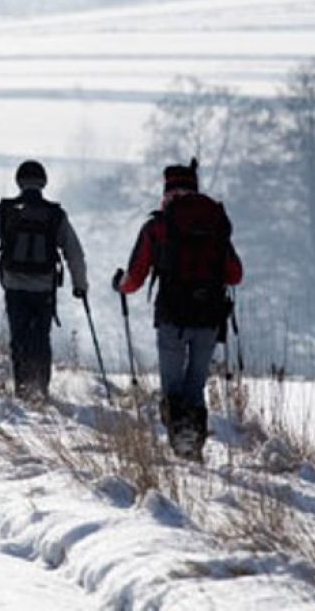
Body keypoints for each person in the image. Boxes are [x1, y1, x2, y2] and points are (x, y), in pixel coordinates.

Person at [114, 159, 243, 459]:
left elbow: (134, 277)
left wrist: (120, 285)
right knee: (195, 385)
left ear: (167, 192)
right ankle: (193, 448)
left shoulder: (157, 226)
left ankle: (180, 449)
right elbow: (236, 274)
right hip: (209, 319)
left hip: (172, 316)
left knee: (172, 388)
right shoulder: (214, 223)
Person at [0, 159, 88, 401]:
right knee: (41, 338)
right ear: (43, 183)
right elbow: (74, 252)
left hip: (14, 285)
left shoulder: (5, 210)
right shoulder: (56, 214)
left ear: (19, 182)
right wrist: (80, 285)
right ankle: (41, 389)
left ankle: (22, 389)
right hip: (44, 287)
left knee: (19, 337)